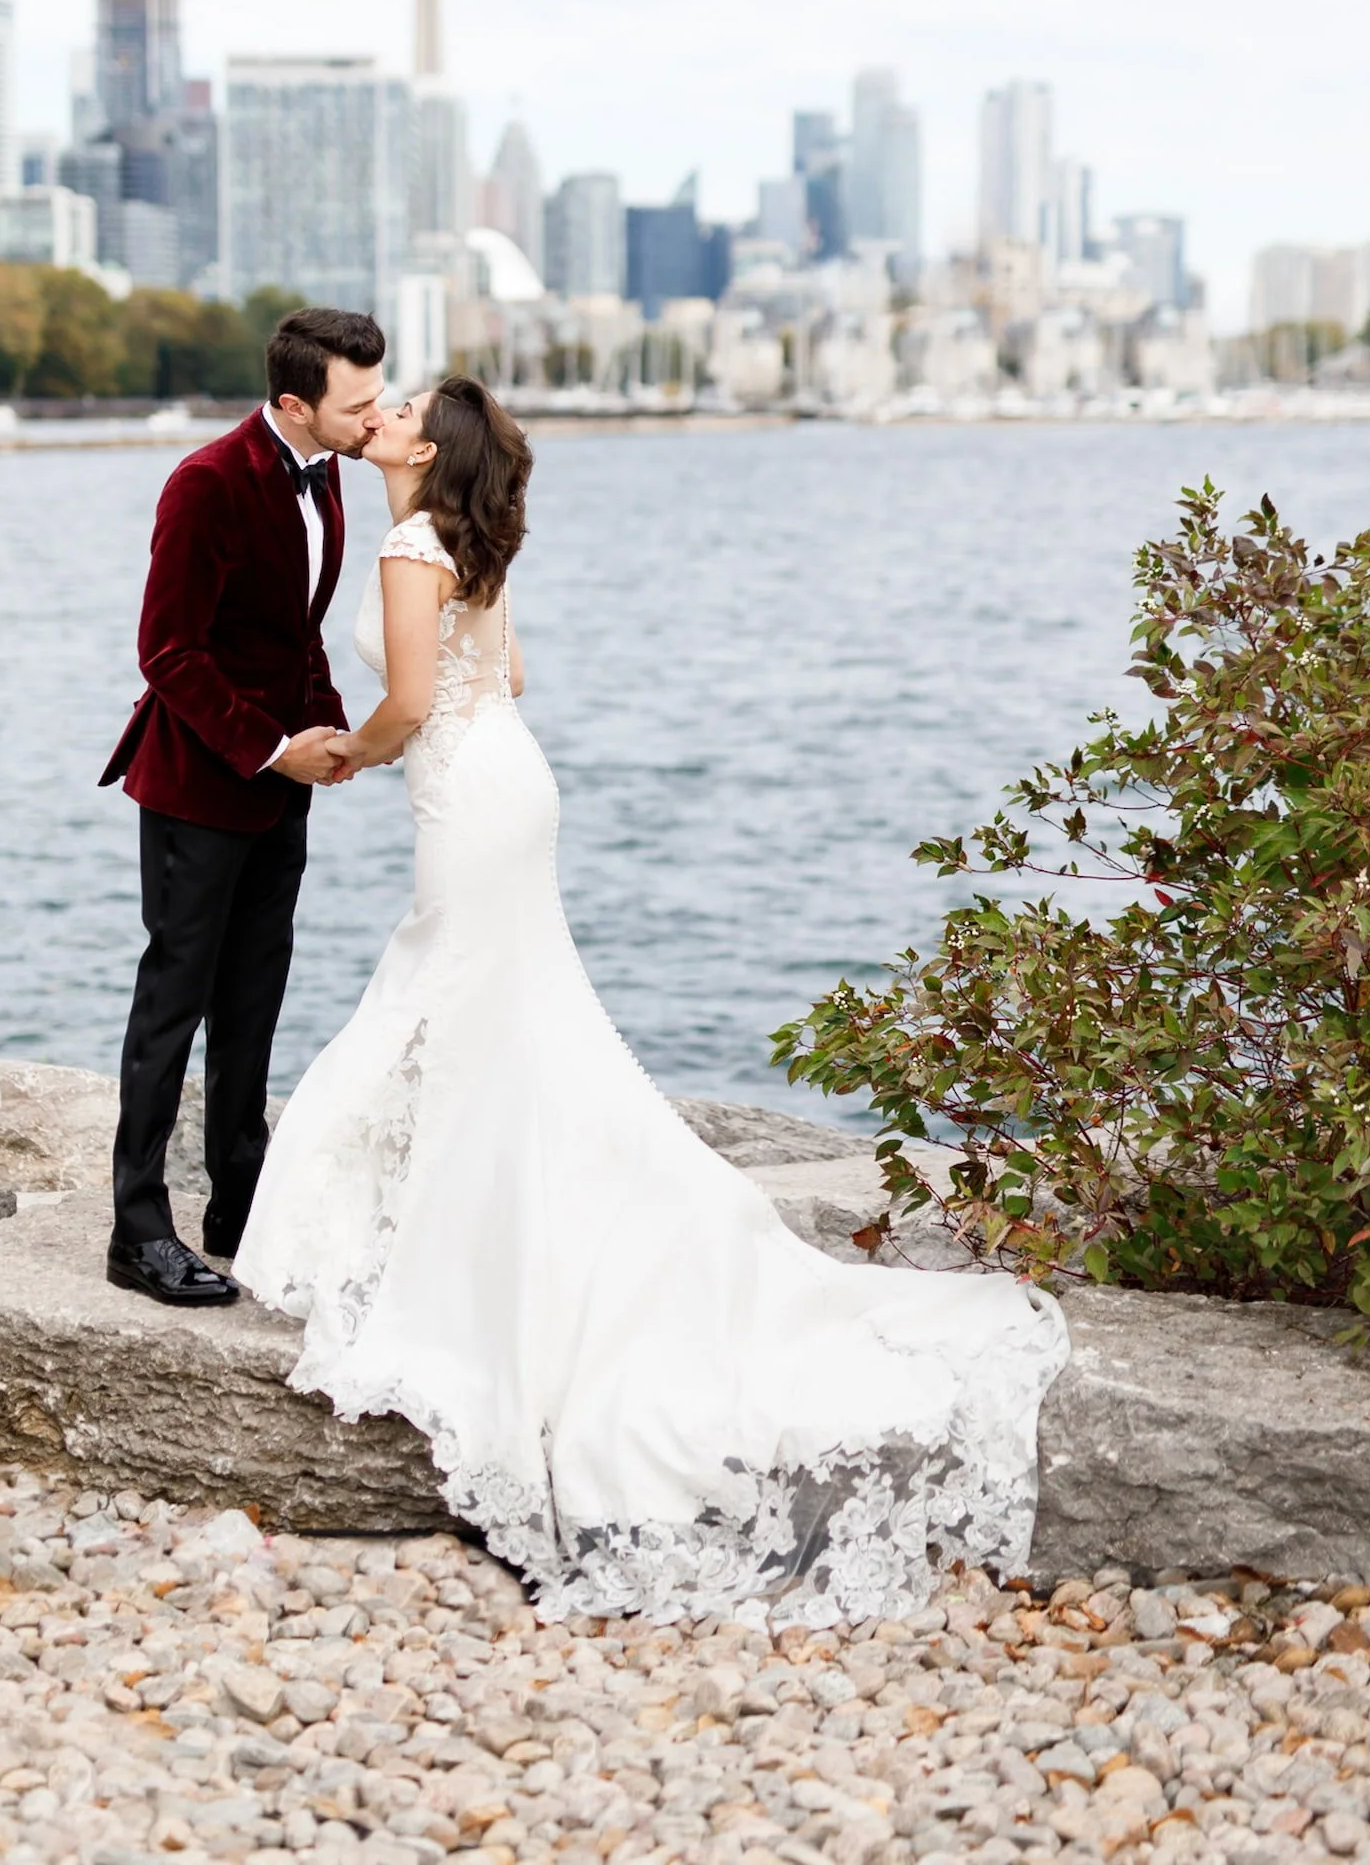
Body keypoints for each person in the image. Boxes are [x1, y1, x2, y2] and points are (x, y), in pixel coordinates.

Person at [236, 375, 1068, 1623]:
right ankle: (483, 1202)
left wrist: (347, 751)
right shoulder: (472, 541)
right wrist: (438, 713)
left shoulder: (414, 544)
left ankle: (467, 1240)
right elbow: (506, 673)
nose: (383, 416)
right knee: (496, 1005)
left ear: (427, 449)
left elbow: (414, 702)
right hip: (511, 779)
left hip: (465, 793)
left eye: (401, 409)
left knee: (454, 997)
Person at [99, 308, 386, 1308]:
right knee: (171, 1004)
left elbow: (294, 635)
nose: (375, 417)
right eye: (358, 403)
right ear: (295, 401)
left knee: (255, 999)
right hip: (197, 785)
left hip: (282, 791)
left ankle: (237, 1203)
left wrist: (330, 730)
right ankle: (138, 1228)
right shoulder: (206, 482)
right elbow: (167, 651)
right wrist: (271, 749)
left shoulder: (333, 470)